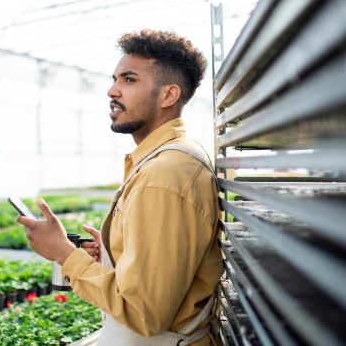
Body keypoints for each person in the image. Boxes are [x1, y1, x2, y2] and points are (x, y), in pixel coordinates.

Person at [17, 29, 224, 346]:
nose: (112, 91)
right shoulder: (168, 158)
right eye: (115, 79)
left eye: (129, 80)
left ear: (168, 96)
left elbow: (145, 312)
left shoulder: (163, 174)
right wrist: (116, 255)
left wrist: (63, 253)